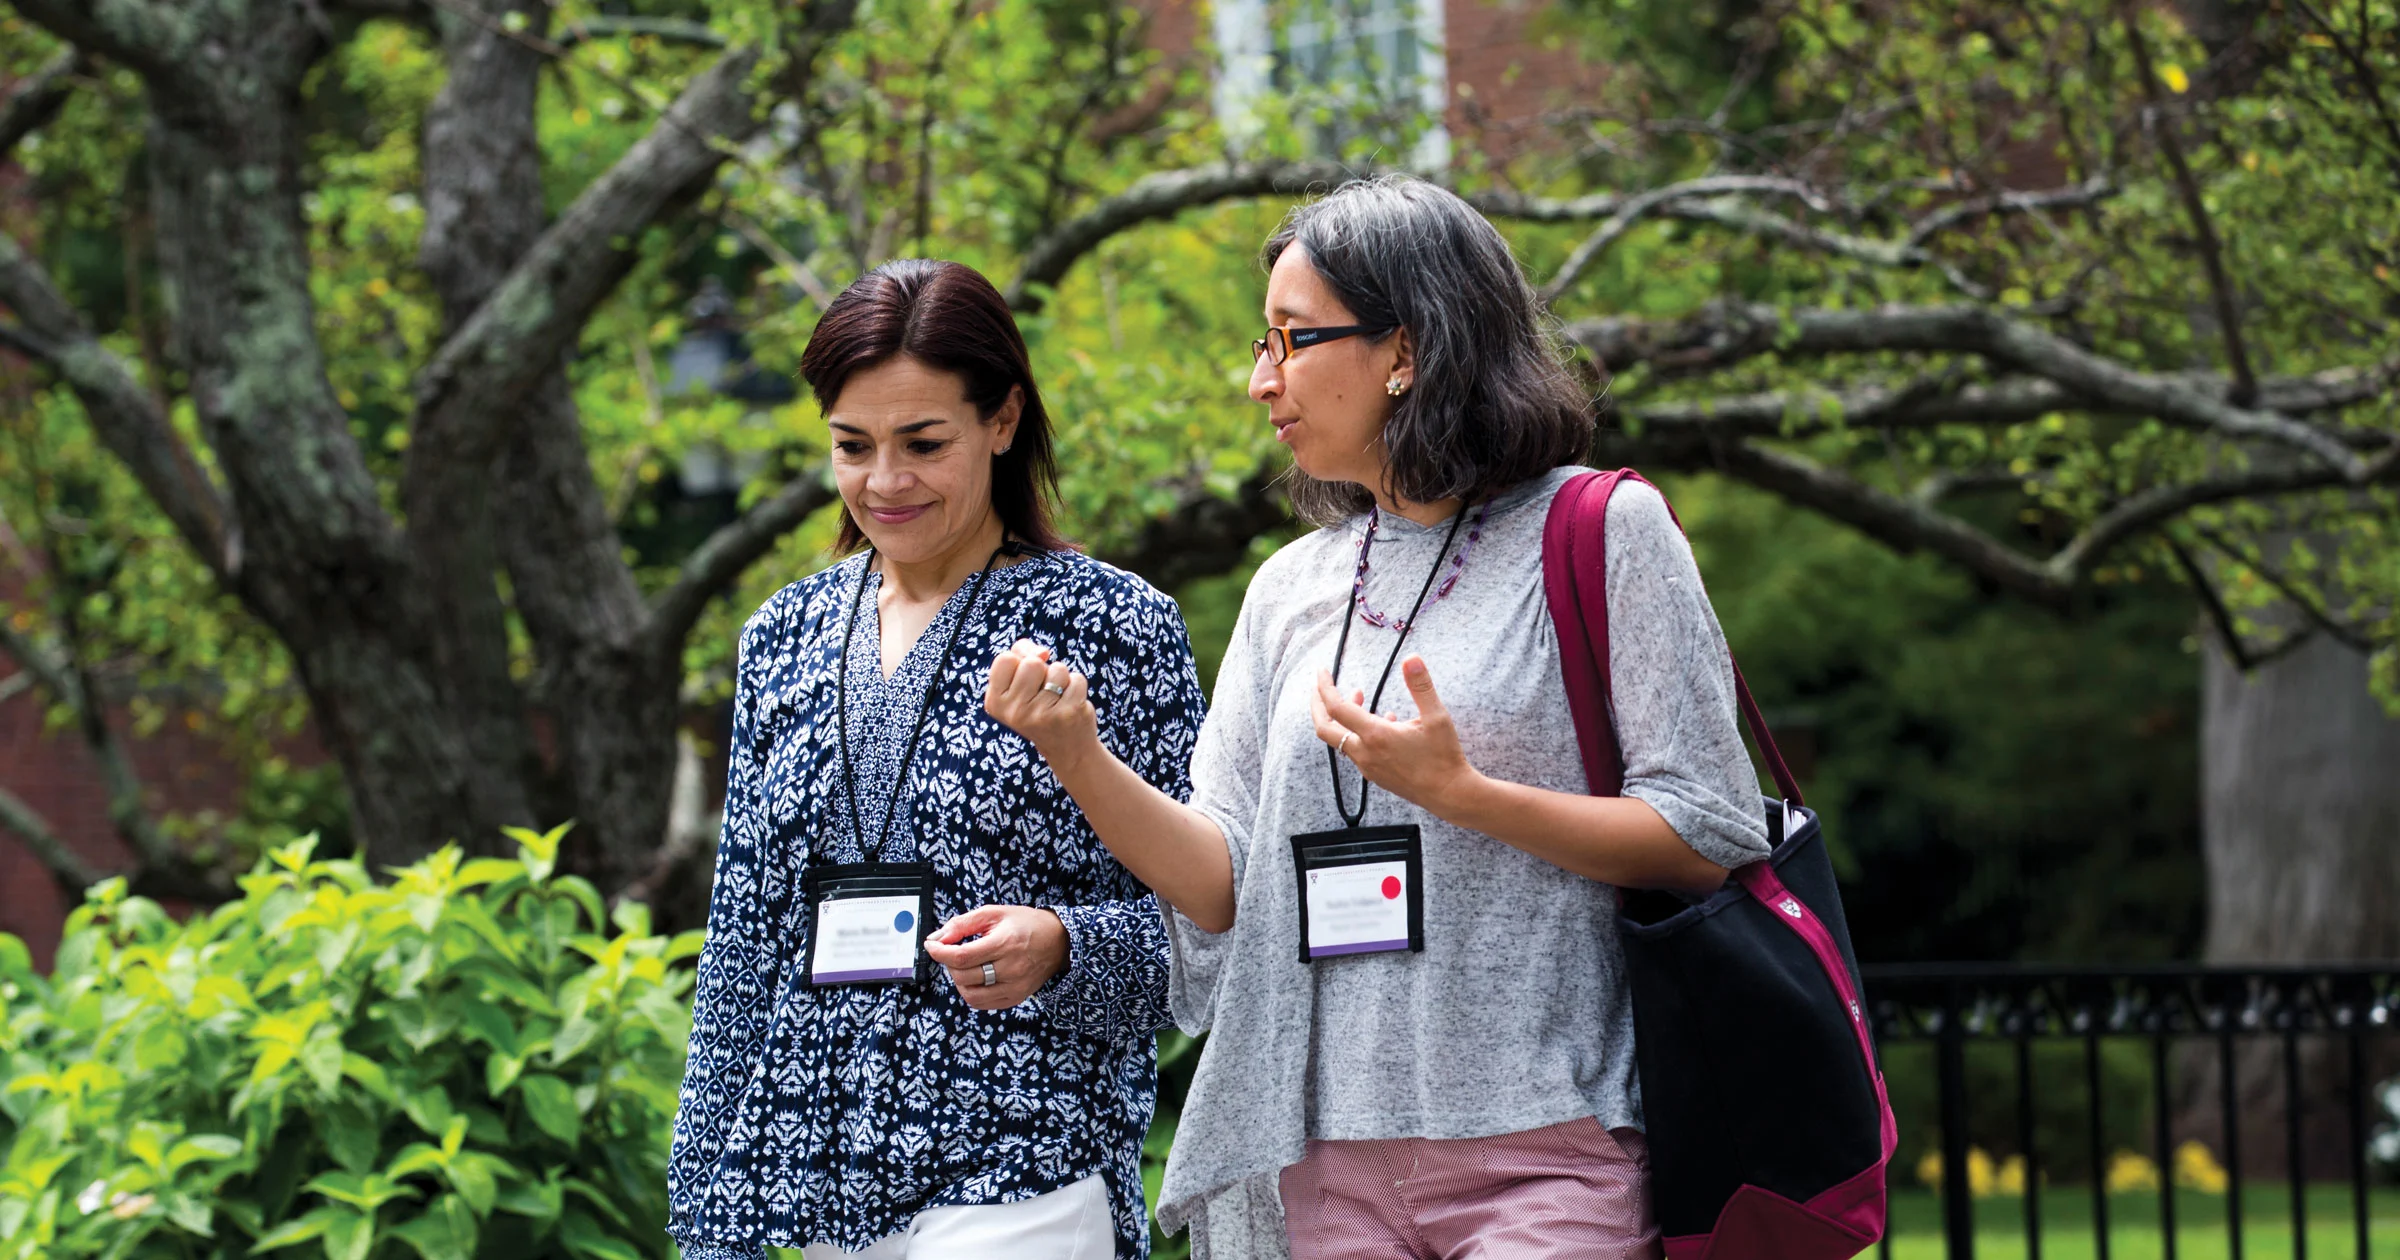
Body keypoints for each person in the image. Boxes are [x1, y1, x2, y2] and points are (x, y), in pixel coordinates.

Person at [982, 175, 1772, 1259]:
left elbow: (1706, 832)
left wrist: (1467, 798)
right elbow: (1223, 882)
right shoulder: (1288, 588)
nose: (1260, 379)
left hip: (1547, 1145)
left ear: (1405, 349)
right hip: (1326, 1161)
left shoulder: (1605, 531)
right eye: (1263, 343)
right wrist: (1077, 753)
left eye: (1292, 339)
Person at [666, 259, 1206, 1260]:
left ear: (1002, 421)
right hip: (805, 1189)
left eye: (922, 443)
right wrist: (705, 1213)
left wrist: (1064, 945)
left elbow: (1212, 932)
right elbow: (740, 947)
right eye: (851, 446)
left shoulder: (1115, 624)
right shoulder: (779, 636)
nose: (884, 482)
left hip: (1023, 1172)